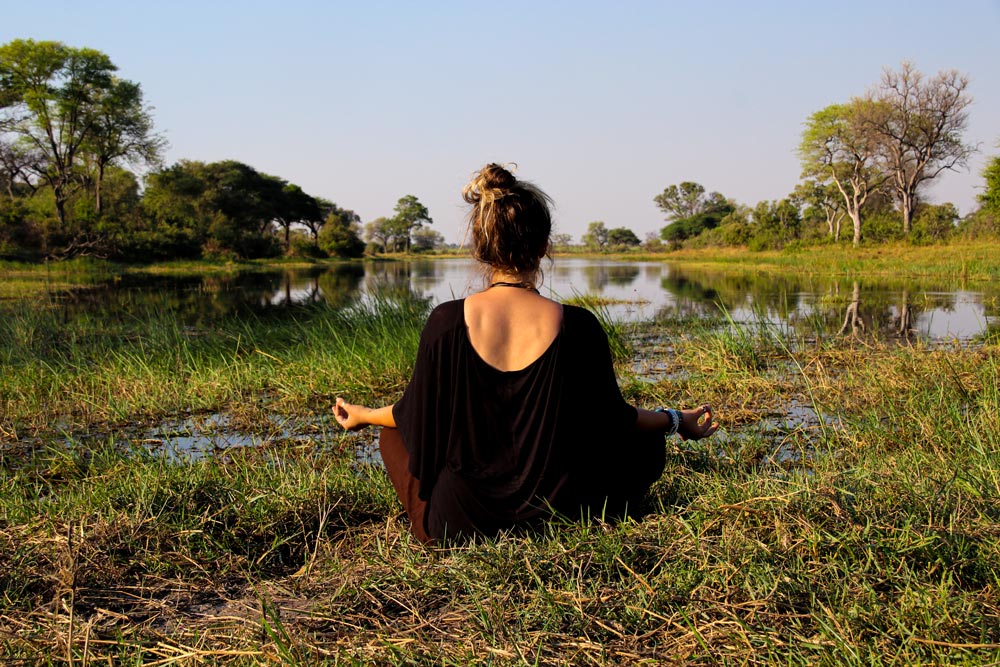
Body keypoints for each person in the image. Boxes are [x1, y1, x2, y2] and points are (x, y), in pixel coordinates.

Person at [334, 163, 718, 544]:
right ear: (544, 246)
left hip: (460, 523)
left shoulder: (445, 322)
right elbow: (614, 420)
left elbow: (412, 414)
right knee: (644, 438)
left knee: (392, 435)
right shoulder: (579, 325)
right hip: (569, 510)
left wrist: (365, 417)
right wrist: (674, 420)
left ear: (479, 249)